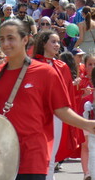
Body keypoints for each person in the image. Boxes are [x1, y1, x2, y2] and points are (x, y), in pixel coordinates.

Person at [0, 19, 95, 179]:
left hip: (33, 155)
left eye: (11, 38)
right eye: (2, 39)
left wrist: (86, 124)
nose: (5, 44)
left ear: (25, 39)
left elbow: (61, 109)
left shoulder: (45, 72)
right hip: (2, 154)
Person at [33, 30, 81, 180]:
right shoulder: (32, 65)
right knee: (37, 153)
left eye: (58, 42)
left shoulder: (62, 66)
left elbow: (67, 94)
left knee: (52, 153)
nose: (56, 45)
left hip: (57, 115)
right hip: (37, 116)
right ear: (43, 43)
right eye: (53, 42)